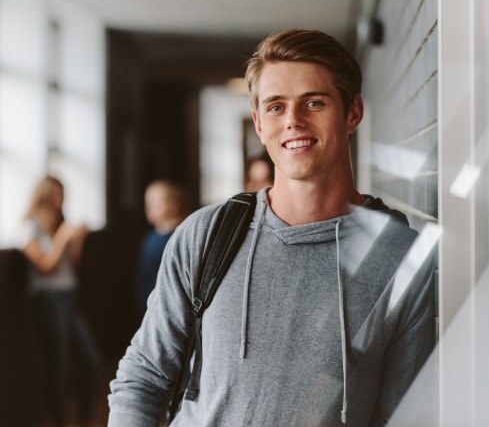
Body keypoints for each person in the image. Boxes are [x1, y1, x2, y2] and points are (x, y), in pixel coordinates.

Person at [107, 29, 435, 426]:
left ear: (352, 113)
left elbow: (405, 417)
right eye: (276, 107)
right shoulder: (205, 235)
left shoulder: (402, 258)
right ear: (259, 123)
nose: (293, 121)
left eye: (314, 102)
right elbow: (142, 378)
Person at [18, 175, 102, 427]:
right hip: (47, 300)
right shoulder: (27, 226)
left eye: (62, 194)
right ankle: (60, 420)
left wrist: (77, 242)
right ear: (43, 195)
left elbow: (71, 267)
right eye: (56, 194)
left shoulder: (58, 224)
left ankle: (86, 418)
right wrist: (63, 238)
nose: (60, 200)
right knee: (59, 365)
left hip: (68, 297)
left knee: (92, 361)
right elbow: (45, 267)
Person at [136, 180, 191, 319]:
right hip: (150, 308)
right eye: (147, 202)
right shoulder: (150, 238)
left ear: (174, 205)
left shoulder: (185, 236)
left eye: (155, 203)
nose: (148, 207)